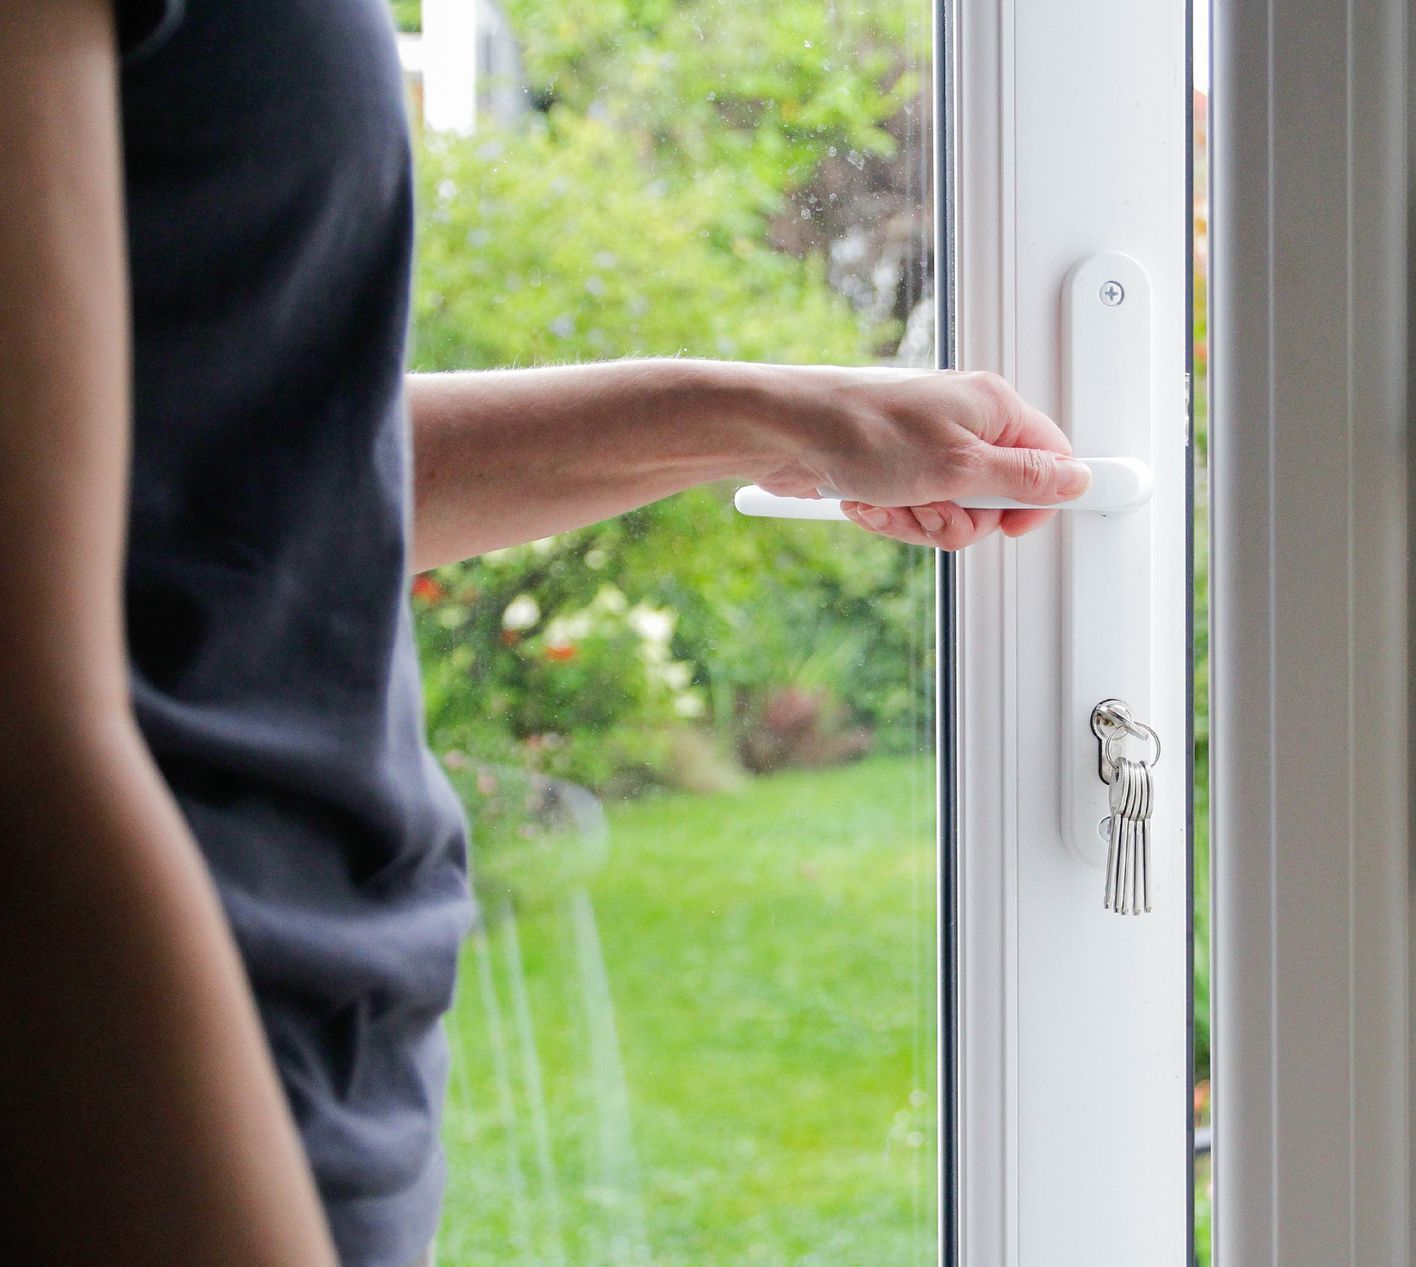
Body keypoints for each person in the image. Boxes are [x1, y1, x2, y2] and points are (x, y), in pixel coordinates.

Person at [0, 1, 1087, 1263]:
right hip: (142, 1115)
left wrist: (782, 414)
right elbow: (27, 748)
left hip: (292, 1078)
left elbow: (247, 475)